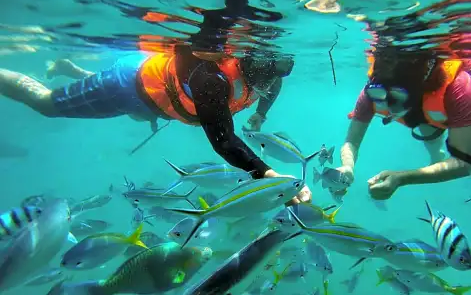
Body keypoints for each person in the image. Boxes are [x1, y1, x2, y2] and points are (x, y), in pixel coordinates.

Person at [0, 46, 311, 203]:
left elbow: (272, 88)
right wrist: (267, 174)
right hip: (128, 87)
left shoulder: (267, 76)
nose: (275, 75)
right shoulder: (212, 79)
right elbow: (223, 139)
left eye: (283, 68)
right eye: (271, 67)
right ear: (250, 60)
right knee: (46, 104)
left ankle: (70, 69)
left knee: (104, 98)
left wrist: (261, 115)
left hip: (162, 103)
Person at [335, 46, 471, 201]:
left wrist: (402, 178)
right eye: (380, 95)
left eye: (397, 97)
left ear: (419, 89)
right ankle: (435, 156)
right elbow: (351, 141)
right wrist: (347, 167)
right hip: (428, 111)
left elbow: (466, 162)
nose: (388, 105)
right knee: (424, 121)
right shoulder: (374, 92)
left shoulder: (460, 86)